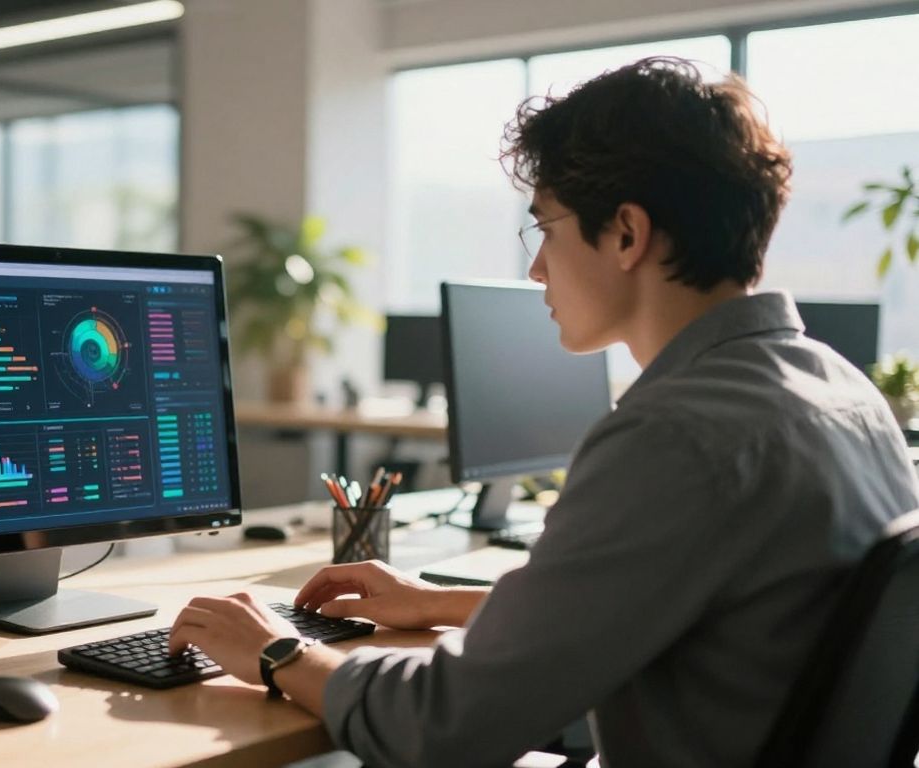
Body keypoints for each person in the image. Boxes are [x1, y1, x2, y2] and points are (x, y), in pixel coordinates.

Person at [166, 57, 919, 767]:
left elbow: (445, 725)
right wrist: (445, 602)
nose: (535, 267)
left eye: (546, 228)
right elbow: (701, 609)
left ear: (626, 233)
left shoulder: (674, 437)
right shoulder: (842, 391)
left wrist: (277, 652)